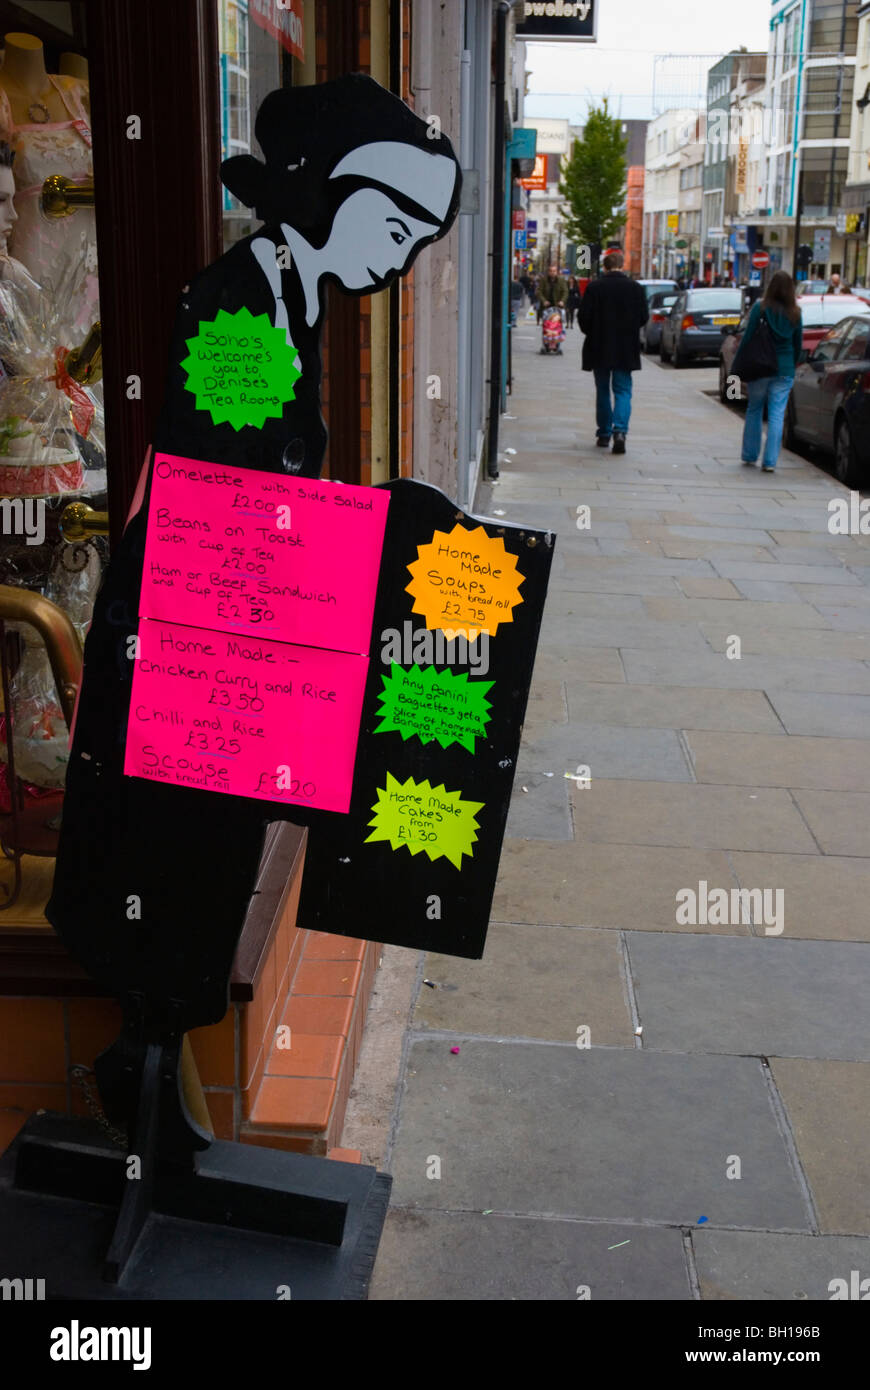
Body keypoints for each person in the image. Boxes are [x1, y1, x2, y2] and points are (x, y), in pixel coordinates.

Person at [577, 249, 649, 454]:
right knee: (623, 390)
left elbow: (583, 317)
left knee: (602, 390)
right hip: (625, 348)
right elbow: (643, 317)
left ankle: (604, 433)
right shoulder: (635, 288)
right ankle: (620, 431)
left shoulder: (594, 287)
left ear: (605, 267)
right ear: (622, 266)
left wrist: (593, 332)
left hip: (599, 346)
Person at [732, 268, 803, 473]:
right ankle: (770, 461)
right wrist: (793, 362)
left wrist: (738, 362)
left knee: (754, 409)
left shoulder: (760, 308)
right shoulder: (796, 313)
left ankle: (749, 455)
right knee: (777, 415)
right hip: (784, 369)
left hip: (760, 367)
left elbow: (747, 337)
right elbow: (798, 344)